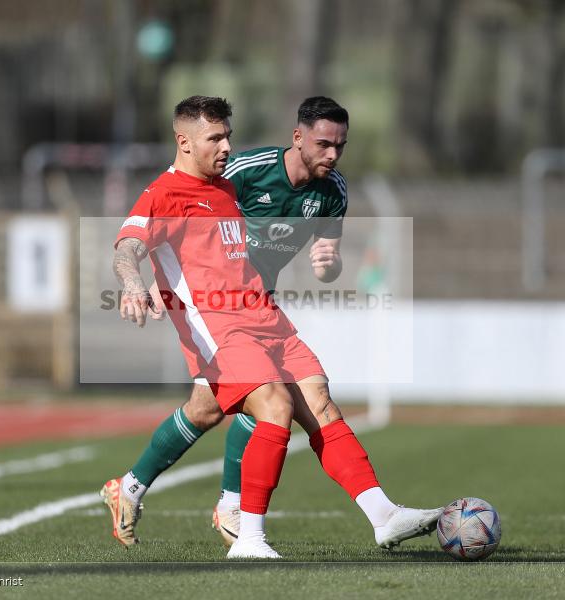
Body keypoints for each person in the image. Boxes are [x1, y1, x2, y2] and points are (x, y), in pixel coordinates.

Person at [105, 96, 441, 559]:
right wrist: (132, 284)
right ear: (184, 142)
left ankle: (383, 515)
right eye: (215, 138)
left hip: (263, 312)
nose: (227, 147)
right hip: (218, 325)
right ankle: (247, 536)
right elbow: (127, 245)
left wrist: (328, 260)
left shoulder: (224, 188)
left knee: (318, 401)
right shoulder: (165, 193)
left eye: (228, 136)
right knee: (273, 404)